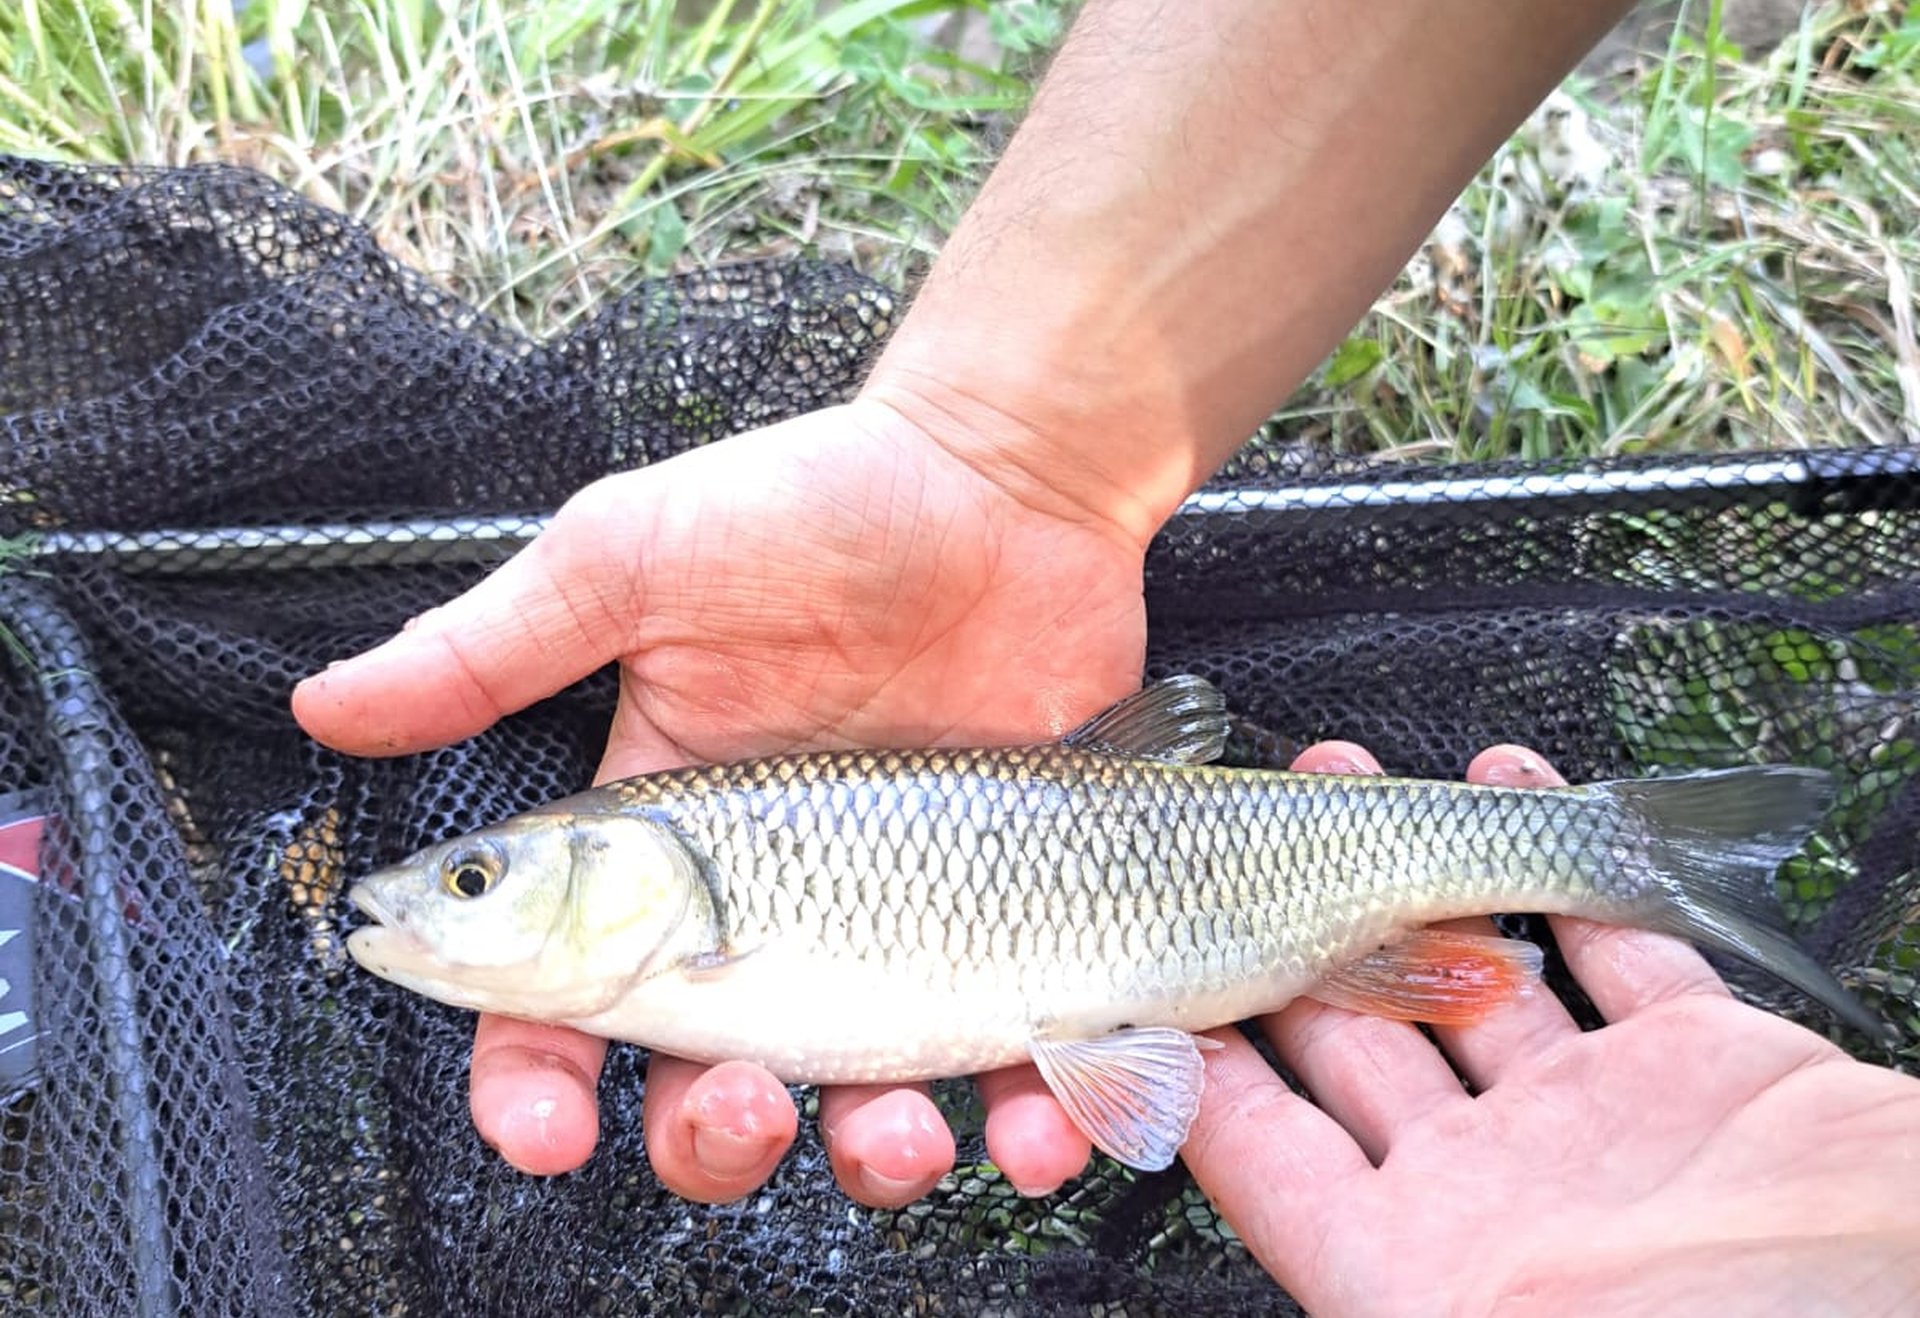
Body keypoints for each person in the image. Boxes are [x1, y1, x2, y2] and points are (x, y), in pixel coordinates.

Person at [291, 0, 1920, 1308]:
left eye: (477, 878)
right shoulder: (694, 928)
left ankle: (1618, 848)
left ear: (618, 861)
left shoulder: (698, 944)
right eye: (471, 880)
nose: (438, 897)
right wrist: (1009, 458)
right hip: (1215, 898)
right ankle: (1622, 850)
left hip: (1252, 887)